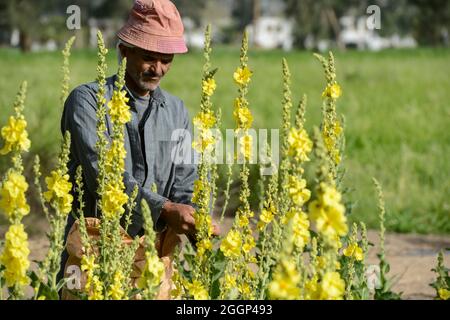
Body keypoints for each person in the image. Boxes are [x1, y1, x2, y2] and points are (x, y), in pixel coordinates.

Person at [58, 0, 216, 295]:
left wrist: (195, 218)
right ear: (124, 50)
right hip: (93, 255)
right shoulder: (88, 101)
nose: (158, 69)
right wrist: (166, 209)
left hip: (153, 265)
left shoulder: (176, 110)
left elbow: (186, 179)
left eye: (166, 59)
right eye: (149, 57)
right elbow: (105, 177)